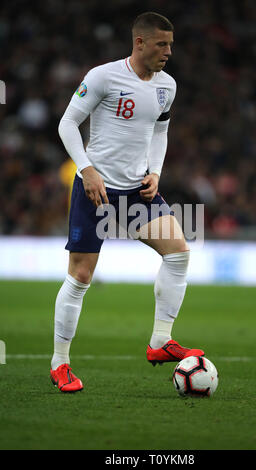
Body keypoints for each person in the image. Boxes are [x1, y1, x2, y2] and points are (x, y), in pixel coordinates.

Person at [50, 11, 204, 393]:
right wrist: (86, 170)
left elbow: (161, 131)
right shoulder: (103, 76)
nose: (169, 51)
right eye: (161, 44)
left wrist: (156, 171)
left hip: (138, 191)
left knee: (179, 252)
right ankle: (60, 364)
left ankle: (159, 343)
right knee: (81, 276)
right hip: (96, 189)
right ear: (139, 43)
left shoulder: (167, 85)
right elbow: (67, 124)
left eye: (170, 44)